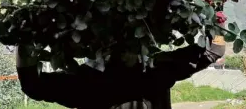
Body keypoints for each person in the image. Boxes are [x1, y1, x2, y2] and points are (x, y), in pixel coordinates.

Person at [16, 35, 225, 109]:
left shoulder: (87, 81)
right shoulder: (158, 70)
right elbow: (216, 48)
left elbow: (32, 84)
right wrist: (215, 14)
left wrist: (25, 35)